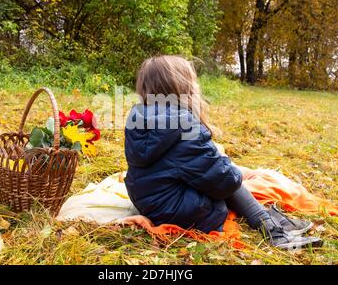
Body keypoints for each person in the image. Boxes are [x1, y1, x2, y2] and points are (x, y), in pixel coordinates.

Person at [124, 55, 323, 250]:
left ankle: (270, 217)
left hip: (147, 201)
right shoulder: (184, 126)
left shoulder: (139, 118)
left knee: (215, 169)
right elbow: (223, 181)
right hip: (178, 211)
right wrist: (227, 164)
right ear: (183, 87)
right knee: (225, 176)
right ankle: (271, 229)